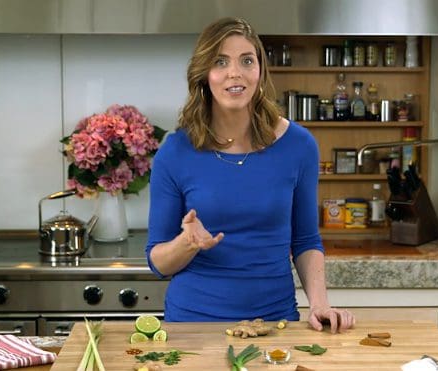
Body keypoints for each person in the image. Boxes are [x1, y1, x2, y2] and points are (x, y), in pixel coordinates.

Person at [145, 17, 355, 333]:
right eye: (220, 61)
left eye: (247, 60)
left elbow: (305, 239)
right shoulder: (175, 152)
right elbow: (158, 262)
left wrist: (320, 305)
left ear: (260, 71)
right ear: (204, 75)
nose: (235, 73)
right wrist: (187, 243)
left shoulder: (298, 146)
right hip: (193, 328)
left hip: (276, 323)